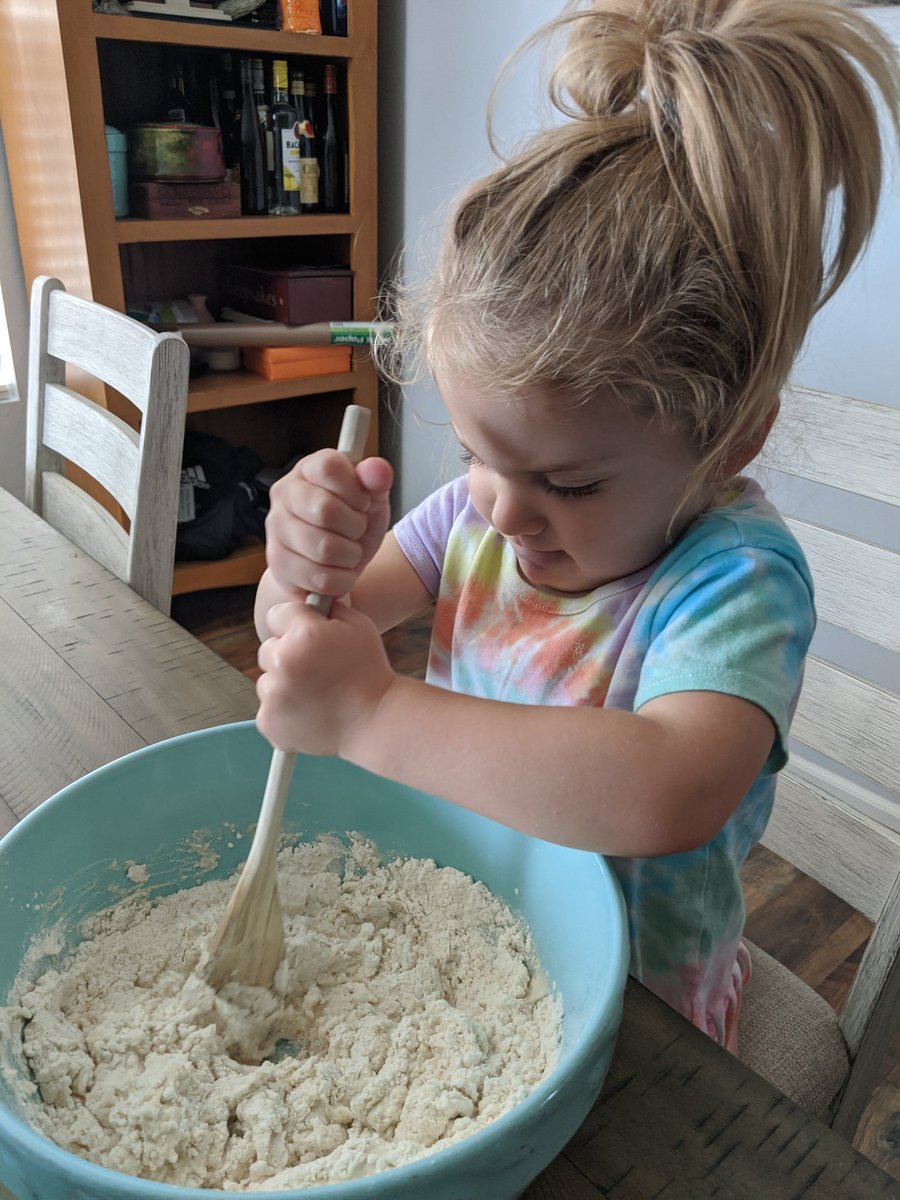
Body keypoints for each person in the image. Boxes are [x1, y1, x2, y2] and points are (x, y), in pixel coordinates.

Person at [254, 0, 898, 1049]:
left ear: (730, 440)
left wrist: (371, 714)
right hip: (465, 929)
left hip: (643, 1020)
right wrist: (299, 566)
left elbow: (665, 789)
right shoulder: (485, 510)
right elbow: (316, 629)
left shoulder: (734, 581)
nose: (502, 509)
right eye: (473, 454)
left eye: (571, 484)